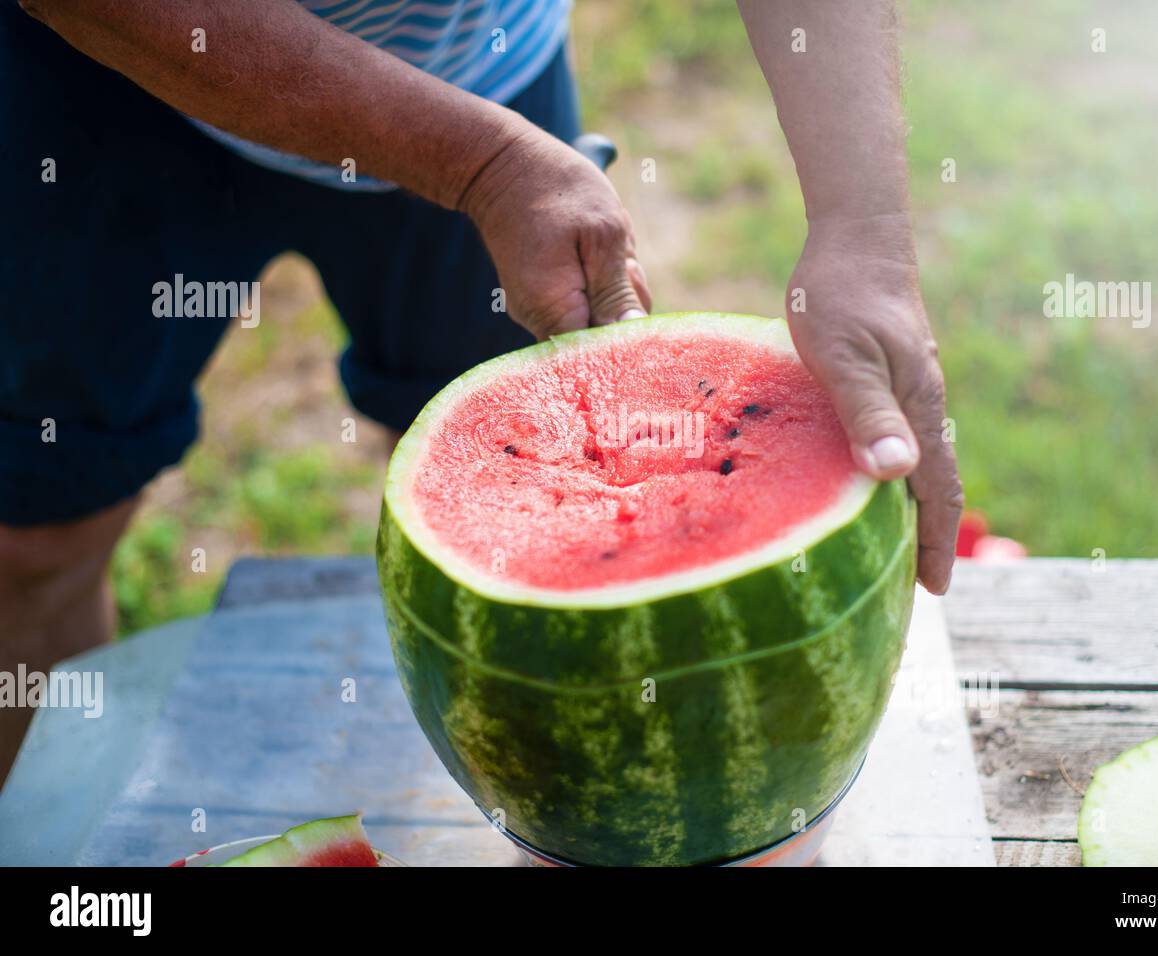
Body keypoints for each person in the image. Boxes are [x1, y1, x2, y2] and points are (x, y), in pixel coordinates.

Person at [0, 0, 962, 779]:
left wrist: (864, 226)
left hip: (481, 67)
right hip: (115, 84)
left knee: (507, 571)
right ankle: (44, 845)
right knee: (35, 541)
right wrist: (480, 164)